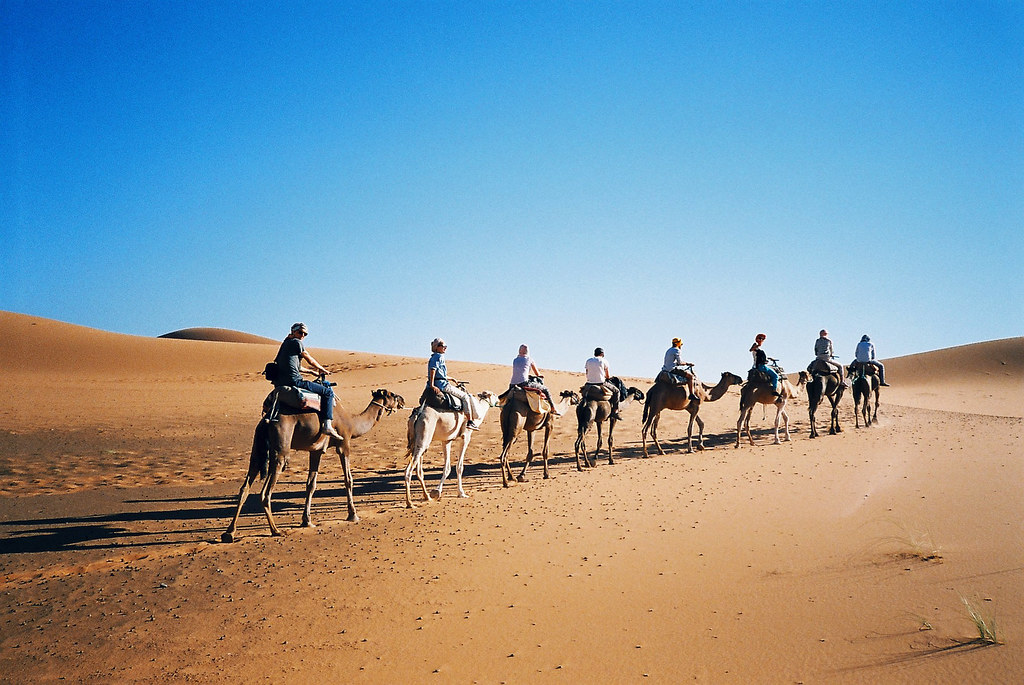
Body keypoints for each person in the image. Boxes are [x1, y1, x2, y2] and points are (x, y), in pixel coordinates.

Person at [273, 322, 342, 439]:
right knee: (327, 392)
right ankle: (327, 425)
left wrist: (311, 372)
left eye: (305, 334)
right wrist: (321, 369)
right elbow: (309, 358)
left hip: (281, 382)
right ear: (293, 331)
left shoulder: (285, 344)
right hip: (295, 381)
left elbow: (296, 367)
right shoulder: (296, 342)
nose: (302, 336)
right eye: (300, 332)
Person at [427, 338, 481, 430]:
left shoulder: (433, 357)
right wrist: (432, 385)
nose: (445, 348)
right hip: (442, 385)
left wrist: (452, 379)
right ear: (437, 347)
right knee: (465, 397)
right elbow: (433, 370)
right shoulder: (439, 357)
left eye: (445, 346)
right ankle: (470, 421)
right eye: (443, 346)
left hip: (438, 382)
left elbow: (440, 374)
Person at [509, 344, 561, 416]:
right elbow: (537, 373)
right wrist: (540, 376)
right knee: (546, 389)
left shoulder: (515, 360)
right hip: (524, 383)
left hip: (512, 384)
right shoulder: (529, 359)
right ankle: (553, 408)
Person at [584, 347, 622, 419]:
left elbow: (587, 372)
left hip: (589, 383)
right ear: (602, 354)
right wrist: (608, 377)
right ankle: (615, 411)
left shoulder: (588, 361)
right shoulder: (604, 361)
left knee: (583, 393)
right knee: (617, 391)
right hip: (601, 383)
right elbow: (607, 375)